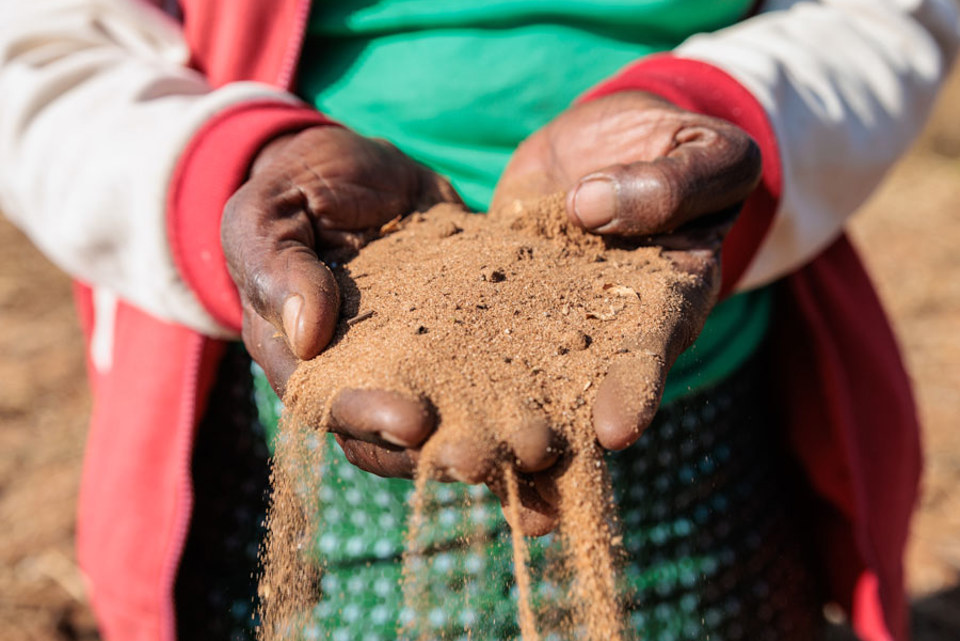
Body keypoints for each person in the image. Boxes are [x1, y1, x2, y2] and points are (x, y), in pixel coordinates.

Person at [1, 1, 957, 640]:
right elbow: (41, 49)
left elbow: (880, 19)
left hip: (701, 424)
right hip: (291, 422)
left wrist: (713, 114)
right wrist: (226, 172)